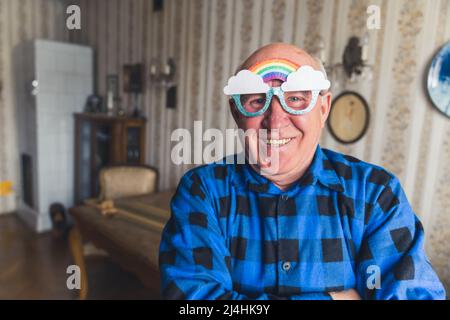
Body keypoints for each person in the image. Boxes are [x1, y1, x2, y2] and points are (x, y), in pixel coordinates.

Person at [159, 43, 446, 300]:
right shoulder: (203, 191)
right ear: (237, 113)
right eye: (257, 101)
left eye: (295, 98)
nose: (275, 119)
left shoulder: (375, 193)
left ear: (323, 108)